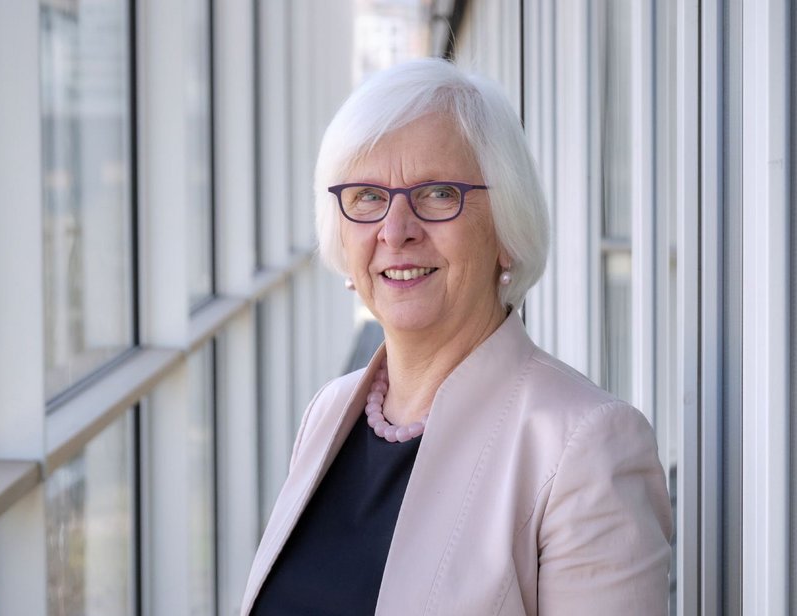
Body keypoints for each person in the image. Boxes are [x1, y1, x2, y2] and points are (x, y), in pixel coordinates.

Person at [241, 58, 673, 615]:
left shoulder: (586, 450)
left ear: (505, 230)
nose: (396, 232)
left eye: (439, 193)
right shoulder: (328, 412)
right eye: (368, 197)